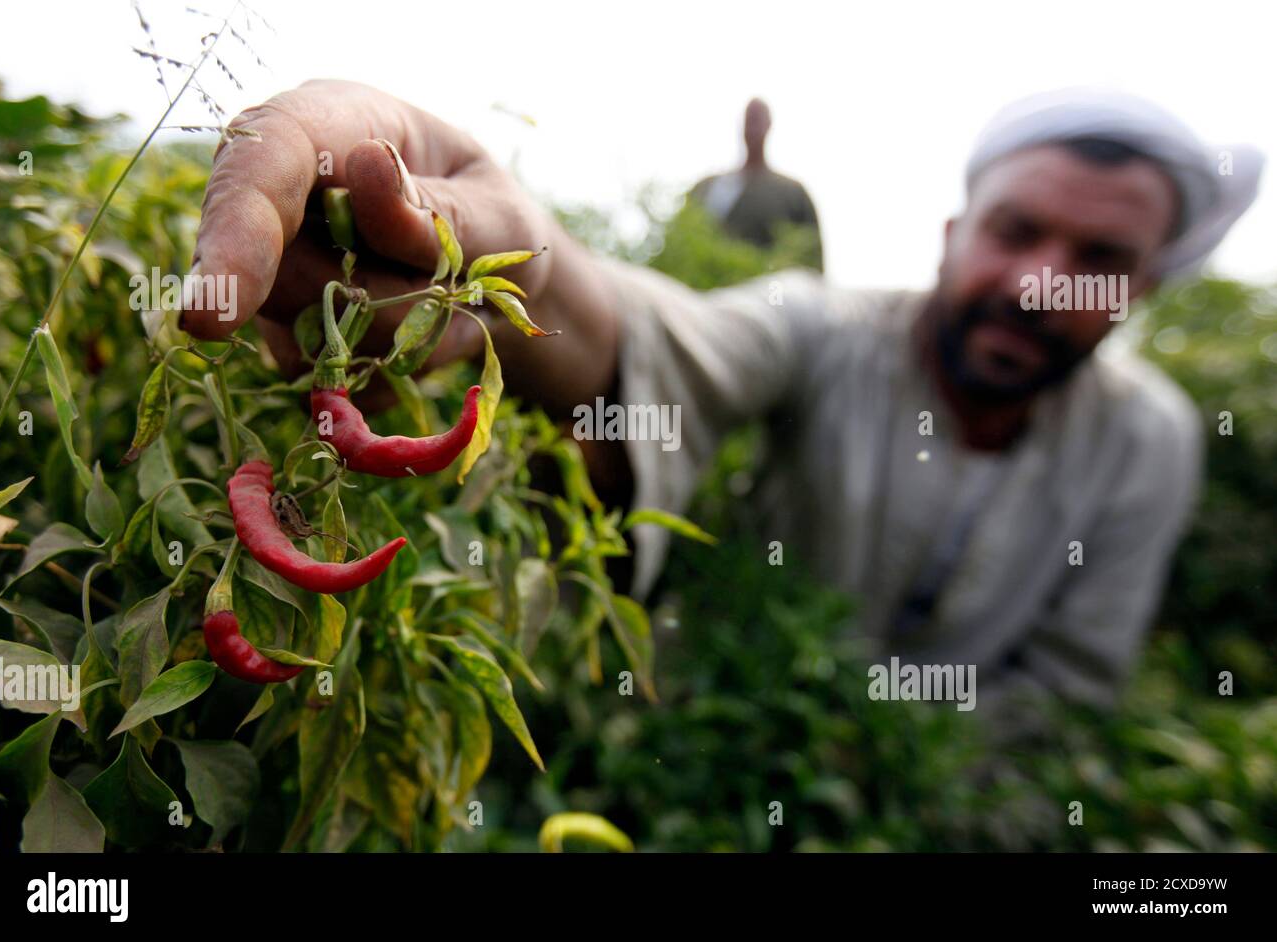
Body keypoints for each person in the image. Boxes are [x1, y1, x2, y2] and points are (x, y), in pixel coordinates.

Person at [179, 82, 1262, 723]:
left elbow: (1064, 699)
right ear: (950, 235)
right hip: (696, 724)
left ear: (1146, 291)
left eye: (1099, 258)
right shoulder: (824, 328)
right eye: (1016, 232)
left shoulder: (1149, 441)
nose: (1037, 283)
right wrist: (526, 272)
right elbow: (651, 341)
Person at [687, 98, 824, 270]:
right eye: (748, 120)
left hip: (768, 290)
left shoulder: (792, 193)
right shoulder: (706, 186)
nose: (752, 127)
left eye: (757, 120)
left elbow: (812, 260)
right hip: (701, 288)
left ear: (769, 125)